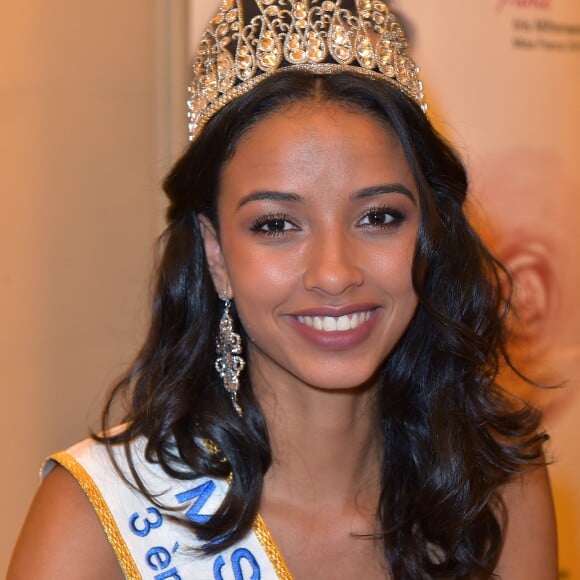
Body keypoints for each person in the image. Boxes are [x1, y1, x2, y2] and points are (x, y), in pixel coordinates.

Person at [8, 1, 557, 578]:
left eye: (379, 217)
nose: (334, 272)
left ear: (428, 232)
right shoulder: (93, 523)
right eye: (275, 225)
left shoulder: (496, 492)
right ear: (216, 254)